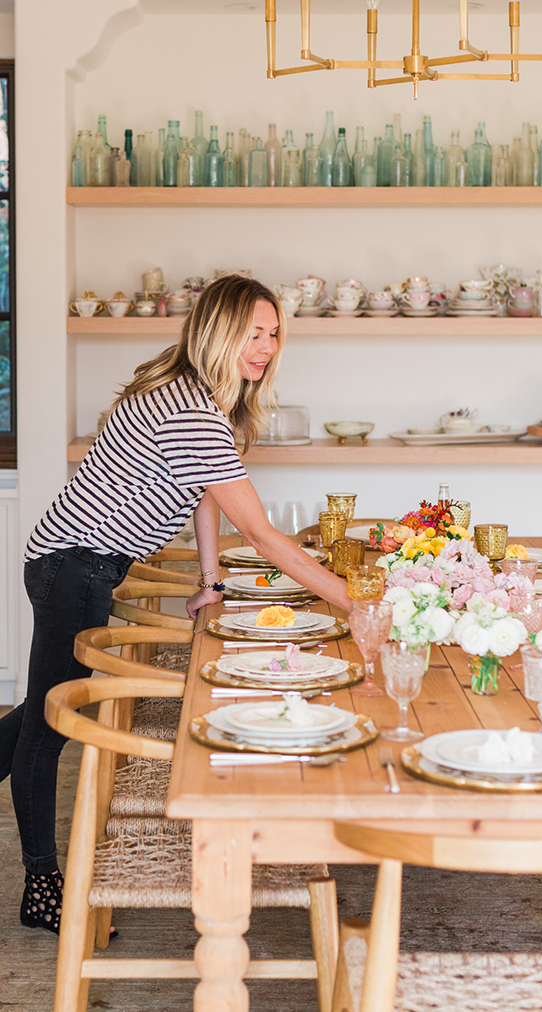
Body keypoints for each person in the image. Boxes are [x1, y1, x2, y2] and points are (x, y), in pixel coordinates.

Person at [0, 274, 351, 934]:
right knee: (50, 723)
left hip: (76, 562)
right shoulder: (190, 411)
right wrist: (353, 604)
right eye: (255, 332)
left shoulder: (190, 395)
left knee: (39, 709)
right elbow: (262, 532)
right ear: (218, 331)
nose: (268, 347)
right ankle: (42, 883)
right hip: (74, 565)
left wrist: (211, 579)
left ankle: (40, 872)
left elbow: (203, 493)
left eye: (274, 334)